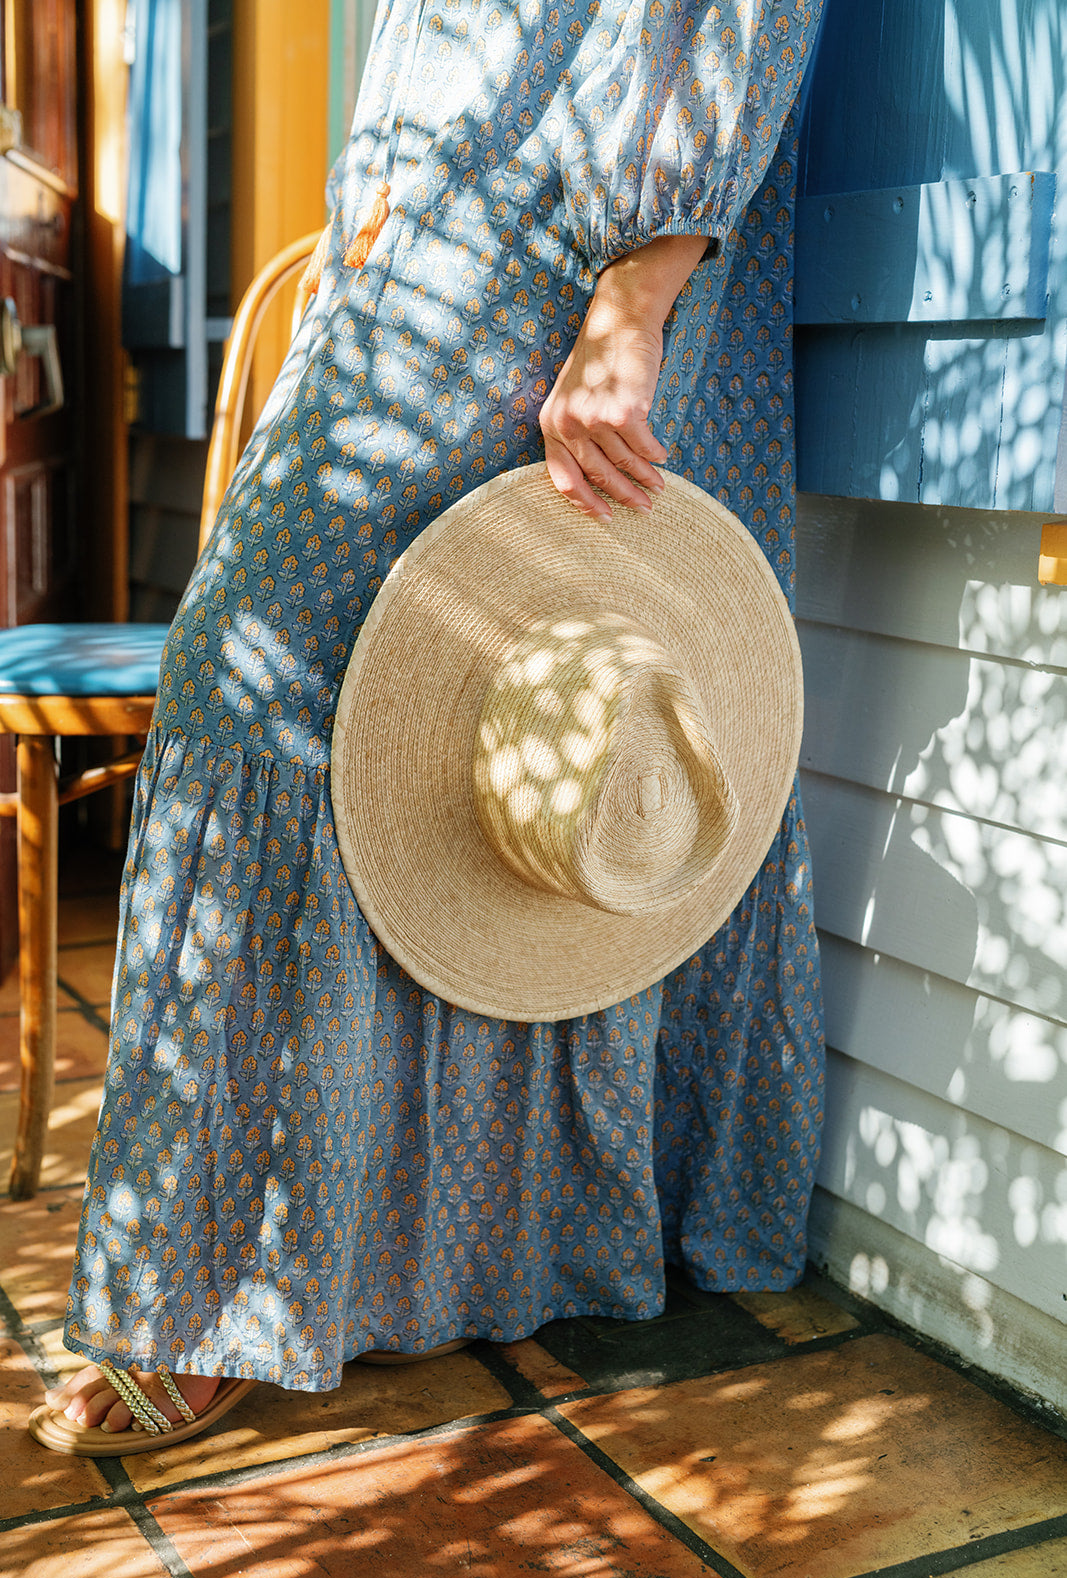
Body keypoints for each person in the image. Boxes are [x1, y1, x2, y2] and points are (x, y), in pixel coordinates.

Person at [34, 0, 825, 1450]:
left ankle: (215, 1280)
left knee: (271, 685)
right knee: (419, 710)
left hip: (557, 229)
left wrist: (635, 294)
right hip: (437, 223)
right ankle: (406, 1251)